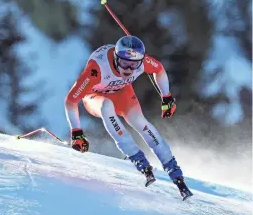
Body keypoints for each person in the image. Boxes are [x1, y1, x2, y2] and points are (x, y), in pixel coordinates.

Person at [65, 35, 192, 200]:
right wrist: (77, 132)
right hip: (95, 96)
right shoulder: (97, 68)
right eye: (124, 63)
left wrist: (166, 96)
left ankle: (173, 169)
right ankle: (136, 156)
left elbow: (159, 69)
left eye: (134, 65)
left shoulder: (142, 62)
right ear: (117, 58)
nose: (129, 69)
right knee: (106, 106)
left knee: (140, 122)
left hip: (122, 93)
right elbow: (70, 100)